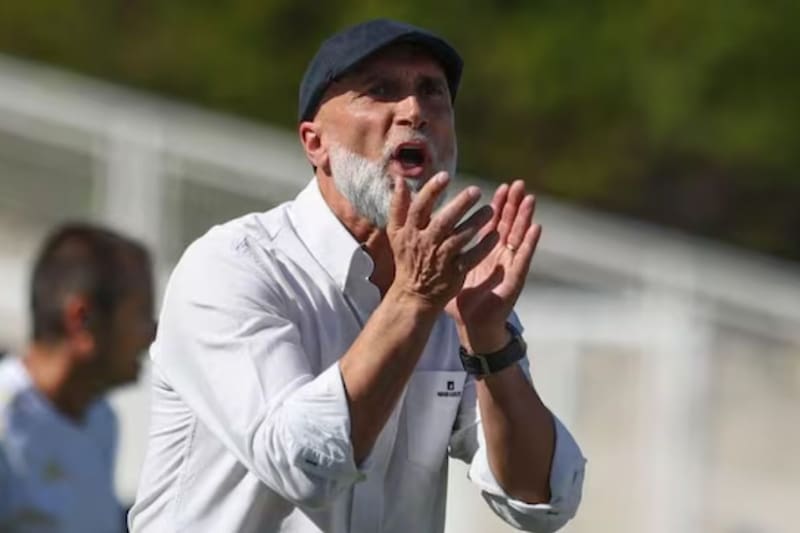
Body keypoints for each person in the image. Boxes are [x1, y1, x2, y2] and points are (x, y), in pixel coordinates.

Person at [129, 18, 586, 533]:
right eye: (380, 91)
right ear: (315, 143)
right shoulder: (233, 268)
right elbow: (305, 465)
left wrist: (489, 342)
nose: (414, 111)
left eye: (432, 92)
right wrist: (413, 299)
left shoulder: (451, 290)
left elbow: (540, 499)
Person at [0, 223, 156, 532]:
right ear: (81, 319)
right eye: (141, 314)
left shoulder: (102, 420)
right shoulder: (5, 422)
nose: (153, 334)